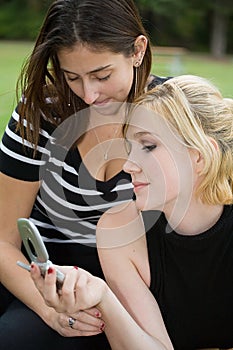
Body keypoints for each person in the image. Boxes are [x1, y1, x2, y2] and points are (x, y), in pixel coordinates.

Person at [0, 0, 168, 349]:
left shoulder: (174, 114)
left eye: (102, 75)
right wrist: (50, 310)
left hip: (133, 285)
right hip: (41, 275)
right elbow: (3, 240)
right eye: (72, 77)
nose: (89, 94)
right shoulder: (40, 115)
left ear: (137, 50)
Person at [30, 75, 233, 350]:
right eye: (129, 148)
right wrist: (103, 297)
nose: (128, 166)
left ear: (199, 156)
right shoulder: (118, 230)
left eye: (148, 146)